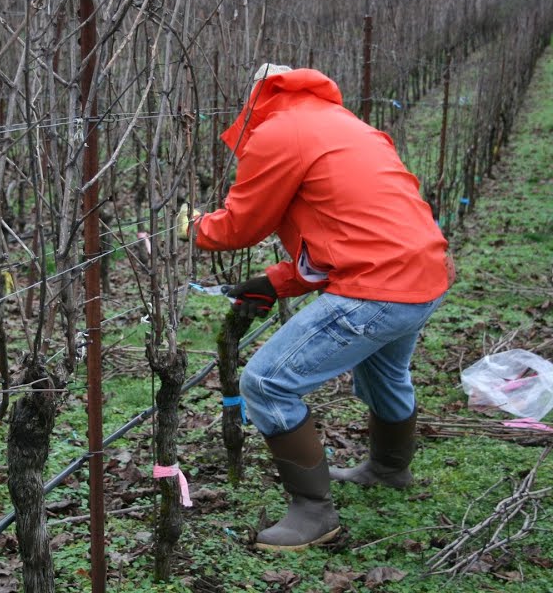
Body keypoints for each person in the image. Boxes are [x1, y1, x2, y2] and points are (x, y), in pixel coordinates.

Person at [177, 63, 453, 552]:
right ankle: (389, 470)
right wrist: (276, 282)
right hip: (423, 273)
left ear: (255, 99)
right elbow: (341, 228)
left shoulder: (279, 131)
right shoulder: (342, 123)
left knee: (268, 382)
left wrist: (195, 227)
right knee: (385, 375)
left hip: (376, 284)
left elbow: (240, 226)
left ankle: (313, 513)